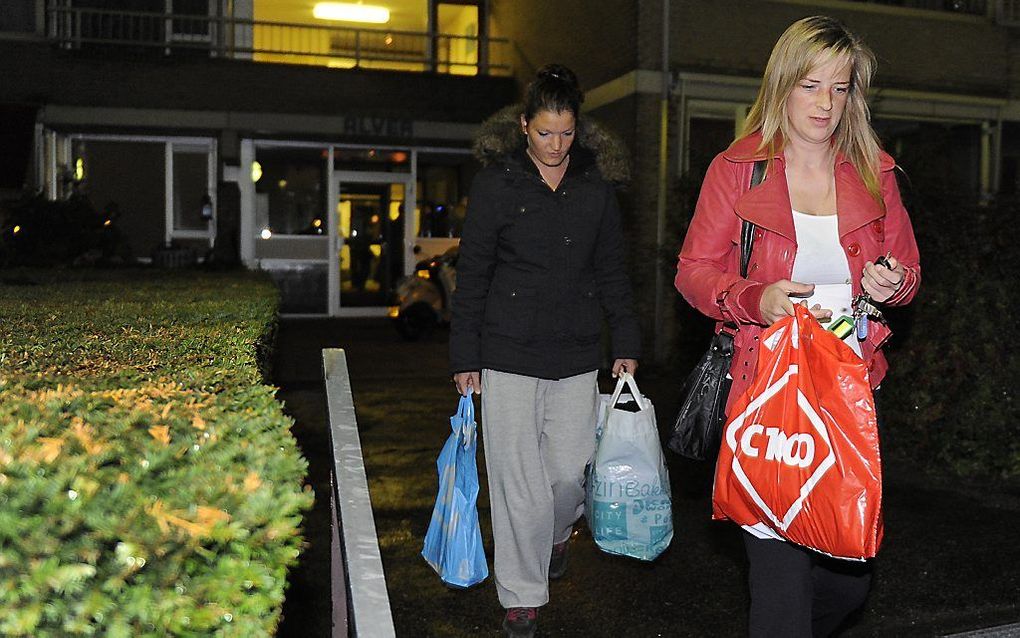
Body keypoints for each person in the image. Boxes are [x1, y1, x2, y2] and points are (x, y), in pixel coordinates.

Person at [674, 16, 921, 638]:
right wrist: (756, 298)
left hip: (845, 394)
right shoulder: (737, 170)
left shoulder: (875, 174)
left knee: (848, 582)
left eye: (840, 88)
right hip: (764, 389)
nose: (825, 103)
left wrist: (892, 284)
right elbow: (694, 271)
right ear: (783, 84)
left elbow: (909, 269)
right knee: (779, 586)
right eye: (811, 85)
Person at [449, 64, 641, 638]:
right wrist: (464, 356)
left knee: (568, 475)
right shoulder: (496, 185)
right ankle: (523, 596)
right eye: (544, 133)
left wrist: (625, 341)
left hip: (576, 354)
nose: (556, 145)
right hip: (504, 354)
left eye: (566, 133)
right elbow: (475, 272)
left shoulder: (594, 190)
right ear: (524, 126)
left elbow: (612, 271)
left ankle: (558, 536)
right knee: (517, 486)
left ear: (576, 129)